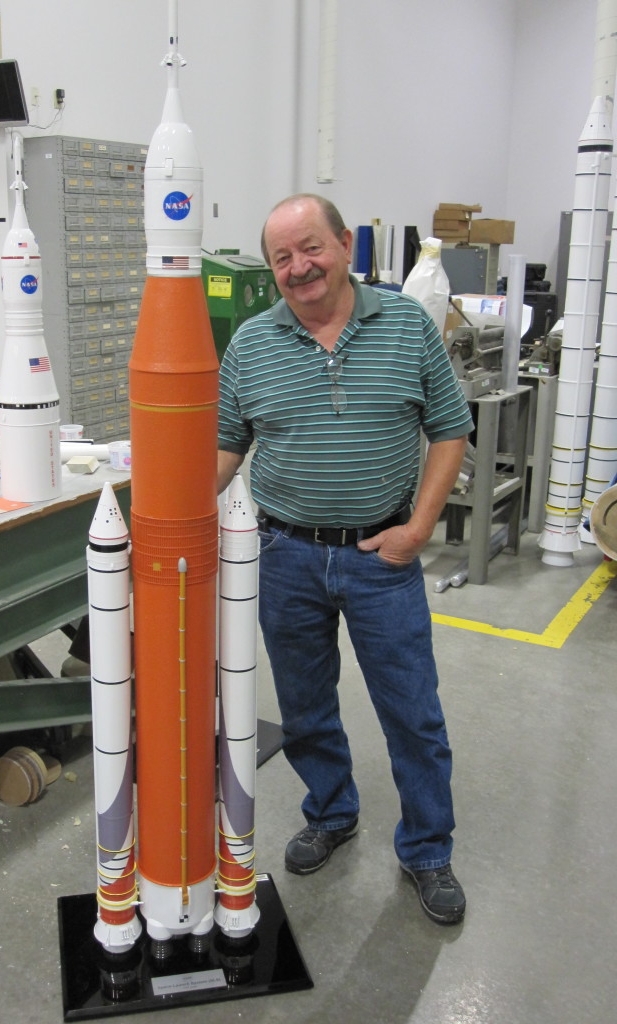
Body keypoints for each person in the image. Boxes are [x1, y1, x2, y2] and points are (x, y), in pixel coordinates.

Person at [216, 194, 474, 925]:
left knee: (412, 713)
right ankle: (331, 812)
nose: (299, 268)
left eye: (311, 248)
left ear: (344, 244)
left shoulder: (405, 325)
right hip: (284, 554)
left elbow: (450, 428)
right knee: (303, 708)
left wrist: (420, 527)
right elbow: (227, 446)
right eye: (281, 258)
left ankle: (427, 848)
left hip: (380, 555)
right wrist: (174, 512)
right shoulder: (251, 345)